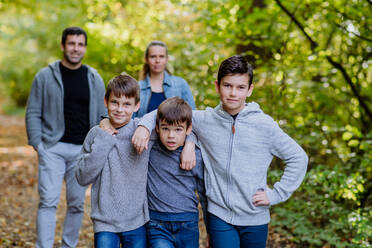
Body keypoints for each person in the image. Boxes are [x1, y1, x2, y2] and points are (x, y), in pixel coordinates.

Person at [133, 55, 309, 248]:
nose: (233, 93)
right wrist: (144, 127)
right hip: (220, 215)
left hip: (255, 216)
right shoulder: (205, 119)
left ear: (250, 90)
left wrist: (276, 194)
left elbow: (298, 157)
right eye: (227, 86)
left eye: (240, 87)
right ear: (217, 86)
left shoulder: (264, 125)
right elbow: (167, 114)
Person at [25, 26, 106, 248]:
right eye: (71, 43)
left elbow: (103, 116)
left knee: (77, 205)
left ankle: (68, 246)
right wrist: (38, 144)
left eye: (80, 44)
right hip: (52, 147)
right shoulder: (45, 76)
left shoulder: (94, 78)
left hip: (82, 151)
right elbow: (33, 111)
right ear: (63, 46)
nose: (76, 48)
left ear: (85, 48)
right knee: (48, 202)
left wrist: (95, 148)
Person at [75, 74, 155, 248]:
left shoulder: (142, 130)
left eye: (127, 104)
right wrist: (104, 139)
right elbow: (82, 177)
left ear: (137, 106)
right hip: (105, 222)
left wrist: (144, 126)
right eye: (114, 102)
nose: (120, 109)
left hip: (136, 221)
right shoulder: (96, 134)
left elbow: (170, 113)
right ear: (105, 101)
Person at [146, 97, 206, 248]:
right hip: (157, 224)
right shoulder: (150, 148)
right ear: (157, 128)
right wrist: (106, 121)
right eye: (165, 128)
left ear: (188, 129)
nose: (171, 136)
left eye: (178, 129)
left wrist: (210, 229)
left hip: (188, 223)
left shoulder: (195, 155)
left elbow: (204, 193)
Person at [133, 40, 196, 118]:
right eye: (153, 56)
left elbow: (192, 115)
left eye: (161, 56)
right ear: (146, 59)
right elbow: (131, 120)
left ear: (167, 59)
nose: (157, 61)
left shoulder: (180, 84)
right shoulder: (137, 87)